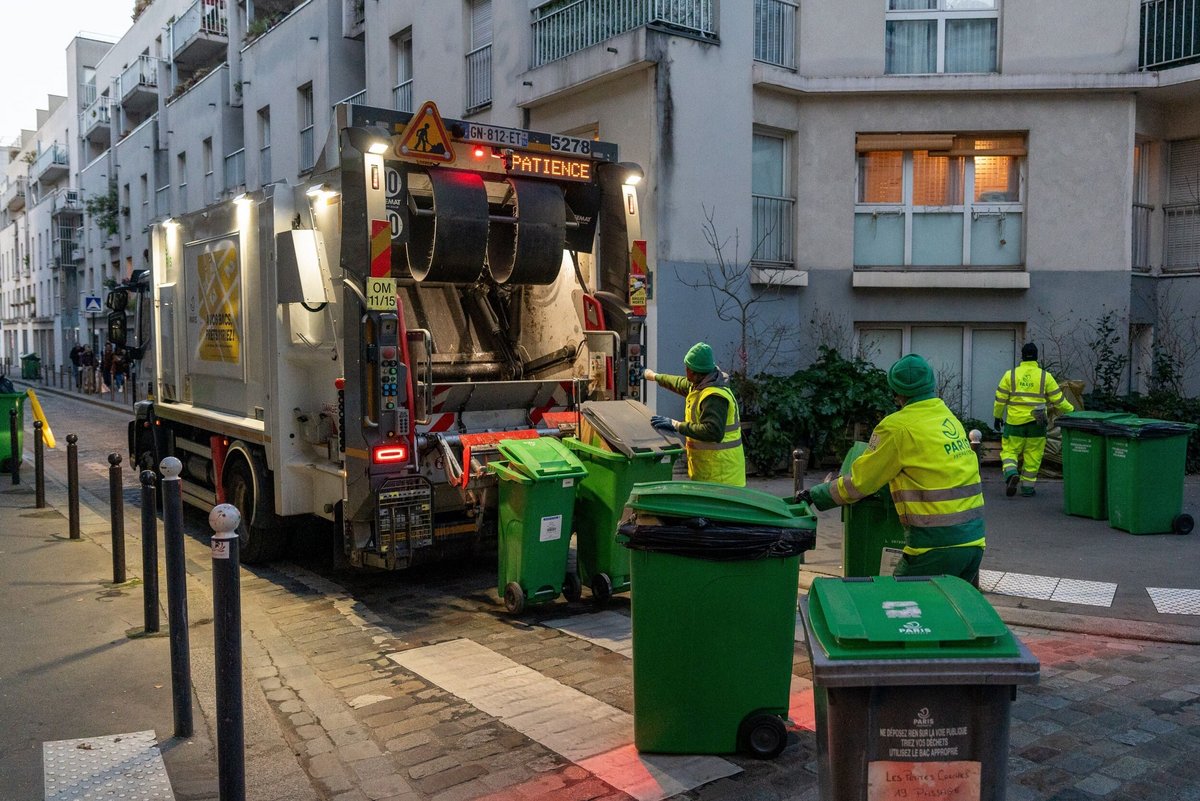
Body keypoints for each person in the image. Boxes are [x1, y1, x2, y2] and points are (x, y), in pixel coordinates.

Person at [797, 354, 986, 587]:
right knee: (945, 607)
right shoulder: (948, 418)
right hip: (973, 543)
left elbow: (861, 482)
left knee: (896, 605)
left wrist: (817, 494)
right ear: (931, 383)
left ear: (896, 392)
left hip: (933, 546)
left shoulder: (896, 427)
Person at [643, 342, 746, 487]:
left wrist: (676, 425)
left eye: (688, 369)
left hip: (722, 475)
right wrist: (653, 376)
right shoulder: (701, 384)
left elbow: (712, 431)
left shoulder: (714, 397)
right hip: (708, 470)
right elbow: (678, 383)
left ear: (698, 373)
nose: (685, 371)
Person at [993, 343, 1074, 498]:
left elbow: (1000, 400)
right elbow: (1059, 401)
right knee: (1033, 455)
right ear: (1037, 357)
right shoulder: (1045, 376)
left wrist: (997, 416)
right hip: (1037, 423)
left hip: (1015, 423)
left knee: (1010, 451)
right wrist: (1073, 412)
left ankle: (1011, 473)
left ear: (1022, 356)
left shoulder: (1010, 375)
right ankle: (1027, 488)